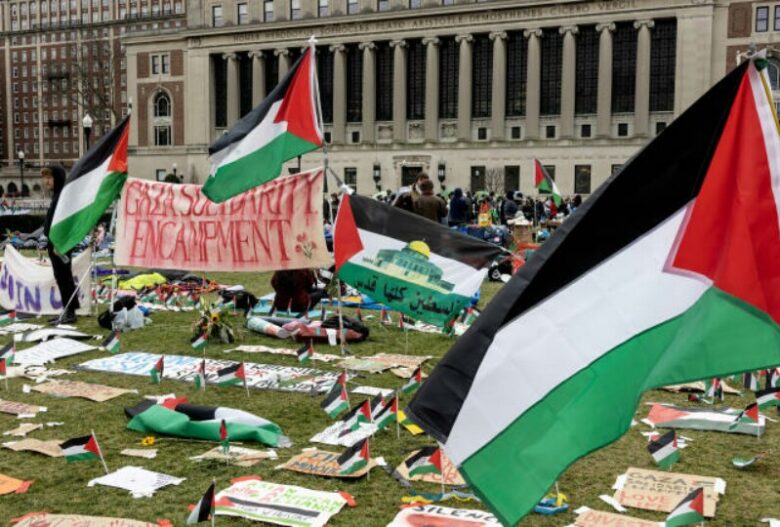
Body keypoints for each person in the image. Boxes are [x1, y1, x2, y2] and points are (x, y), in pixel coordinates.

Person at [42, 164, 80, 324]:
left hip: (60, 245)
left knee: (64, 277)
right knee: (62, 277)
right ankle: (68, 309)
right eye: (45, 178)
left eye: (49, 178)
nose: (46, 181)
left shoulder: (61, 197)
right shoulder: (58, 196)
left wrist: (59, 243)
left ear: (57, 178)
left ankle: (70, 312)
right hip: (56, 244)